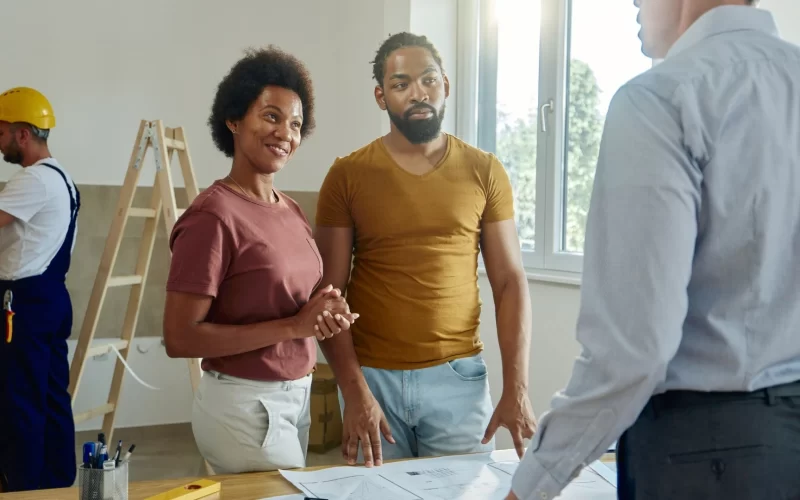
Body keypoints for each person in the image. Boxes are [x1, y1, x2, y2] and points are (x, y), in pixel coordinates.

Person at [507, 1, 800, 499]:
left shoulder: (662, 98)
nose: (635, 2)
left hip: (705, 454)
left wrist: (530, 486)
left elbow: (633, 350)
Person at [314, 32, 536, 469]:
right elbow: (328, 295)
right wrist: (354, 390)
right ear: (381, 97)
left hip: (459, 380)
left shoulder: (484, 170)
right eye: (400, 84)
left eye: (429, 79)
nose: (419, 92)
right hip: (372, 381)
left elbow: (510, 282)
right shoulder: (347, 175)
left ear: (446, 85)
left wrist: (518, 388)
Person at [162, 46, 357, 474]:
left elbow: (298, 301)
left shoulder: (289, 209)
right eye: (271, 116)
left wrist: (326, 311)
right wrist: (293, 327)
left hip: (294, 398)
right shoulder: (212, 216)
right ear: (233, 119)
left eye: (296, 123)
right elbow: (179, 338)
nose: (286, 133)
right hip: (244, 406)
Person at [0, 87, 80, 492]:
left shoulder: (31, 180)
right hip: (49, 298)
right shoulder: (62, 177)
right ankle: (56, 480)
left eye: (1, 134)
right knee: (49, 396)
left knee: (20, 400)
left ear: (22, 134)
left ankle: (22, 487)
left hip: (24, 305)